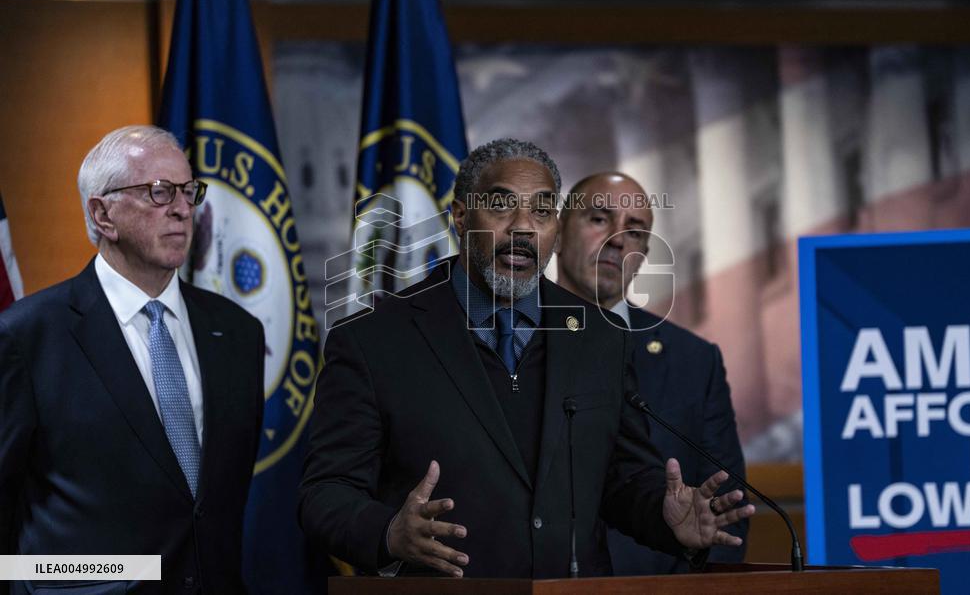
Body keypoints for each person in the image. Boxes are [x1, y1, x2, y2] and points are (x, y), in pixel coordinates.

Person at [299, 138, 753, 579]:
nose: (522, 227)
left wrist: (665, 516)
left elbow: (622, 478)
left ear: (554, 229)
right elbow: (326, 493)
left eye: (541, 211)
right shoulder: (373, 339)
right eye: (501, 205)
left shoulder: (600, 337)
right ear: (460, 215)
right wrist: (388, 533)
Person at [0, 125, 265, 594]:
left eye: (188, 191)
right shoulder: (28, 335)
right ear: (102, 214)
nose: (183, 208)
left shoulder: (239, 334)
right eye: (159, 192)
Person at [557, 171, 748, 575]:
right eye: (598, 219)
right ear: (557, 232)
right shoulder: (510, 339)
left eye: (636, 231)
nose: (618, 239)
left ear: (643, 253)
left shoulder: (694, 361)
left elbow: (723, 513)